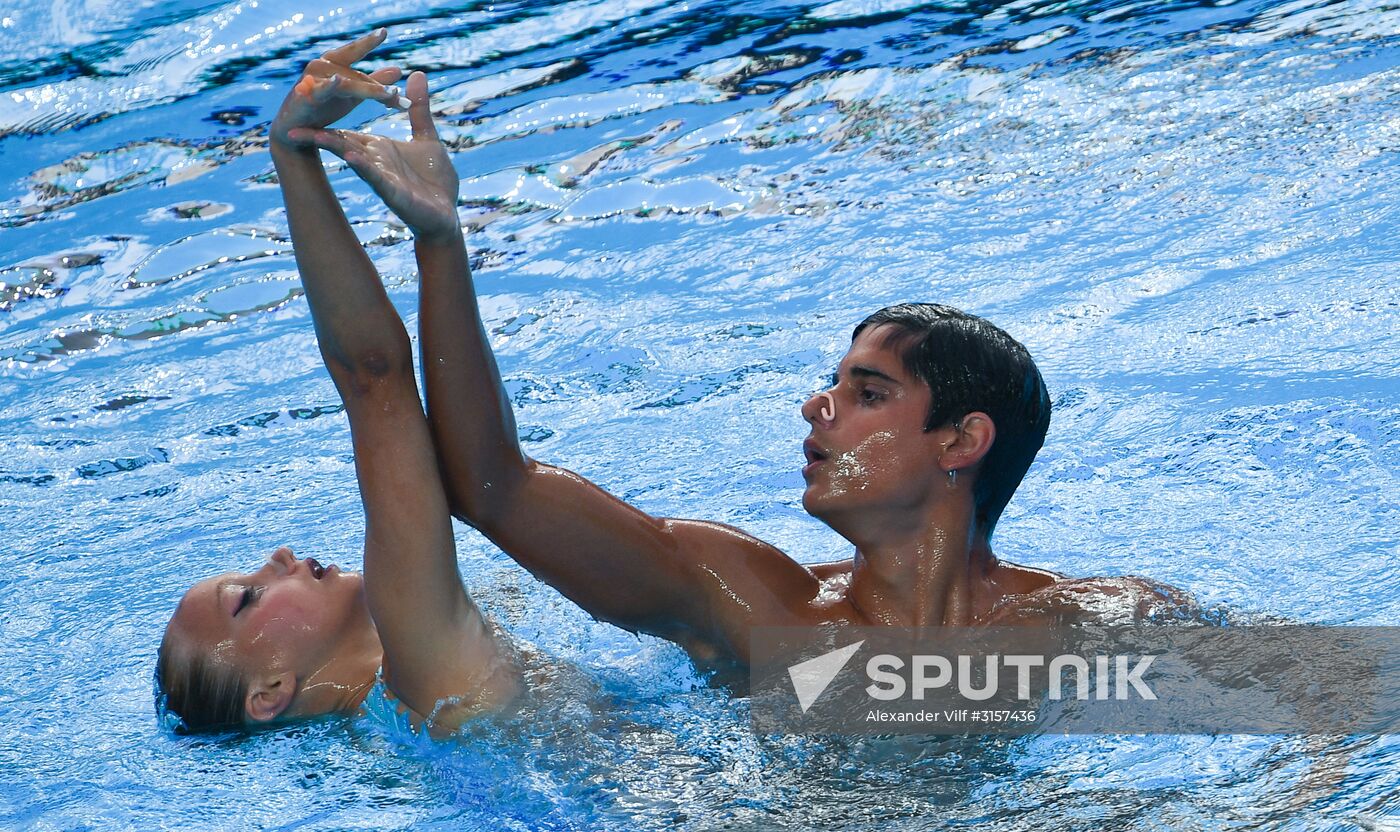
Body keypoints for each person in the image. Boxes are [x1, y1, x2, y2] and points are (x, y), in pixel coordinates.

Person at [281, 32, 1192, 692]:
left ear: (962, 441)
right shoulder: (754, 608)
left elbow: (1318, 701)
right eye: (834, 382)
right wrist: (443, 242)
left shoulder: (1086, 622)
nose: (816, 406)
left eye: (866, 391)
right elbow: (492, 487)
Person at [156, 31, 523, 733]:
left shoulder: (407, 719)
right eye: (248, 598)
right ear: (270, 692)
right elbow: (373, 381)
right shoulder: (422, 672)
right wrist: (294, 155)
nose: (279, 557)